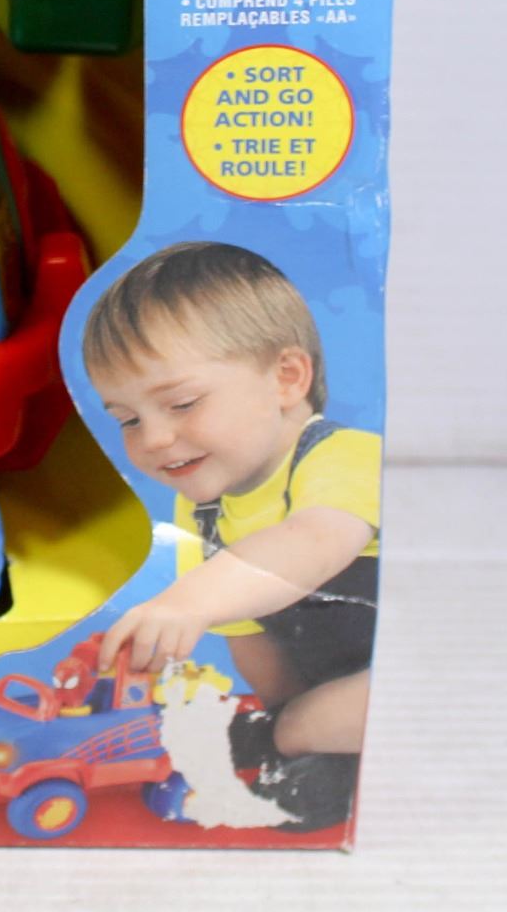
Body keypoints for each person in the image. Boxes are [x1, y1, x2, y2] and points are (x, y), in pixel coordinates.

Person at [82, 241, 378, 827]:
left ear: (286, 379)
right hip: (333, 683)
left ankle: (313, 749)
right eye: (129, 420)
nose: (154, 438)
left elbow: (312, 543)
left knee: (308, 722)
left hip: (421, 671)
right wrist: (282, 710)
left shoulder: (345, 457)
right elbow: (250, 636)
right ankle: (311, 750)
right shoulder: (203, 510)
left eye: (182, 403)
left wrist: (189, 601)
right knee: (296, 720)